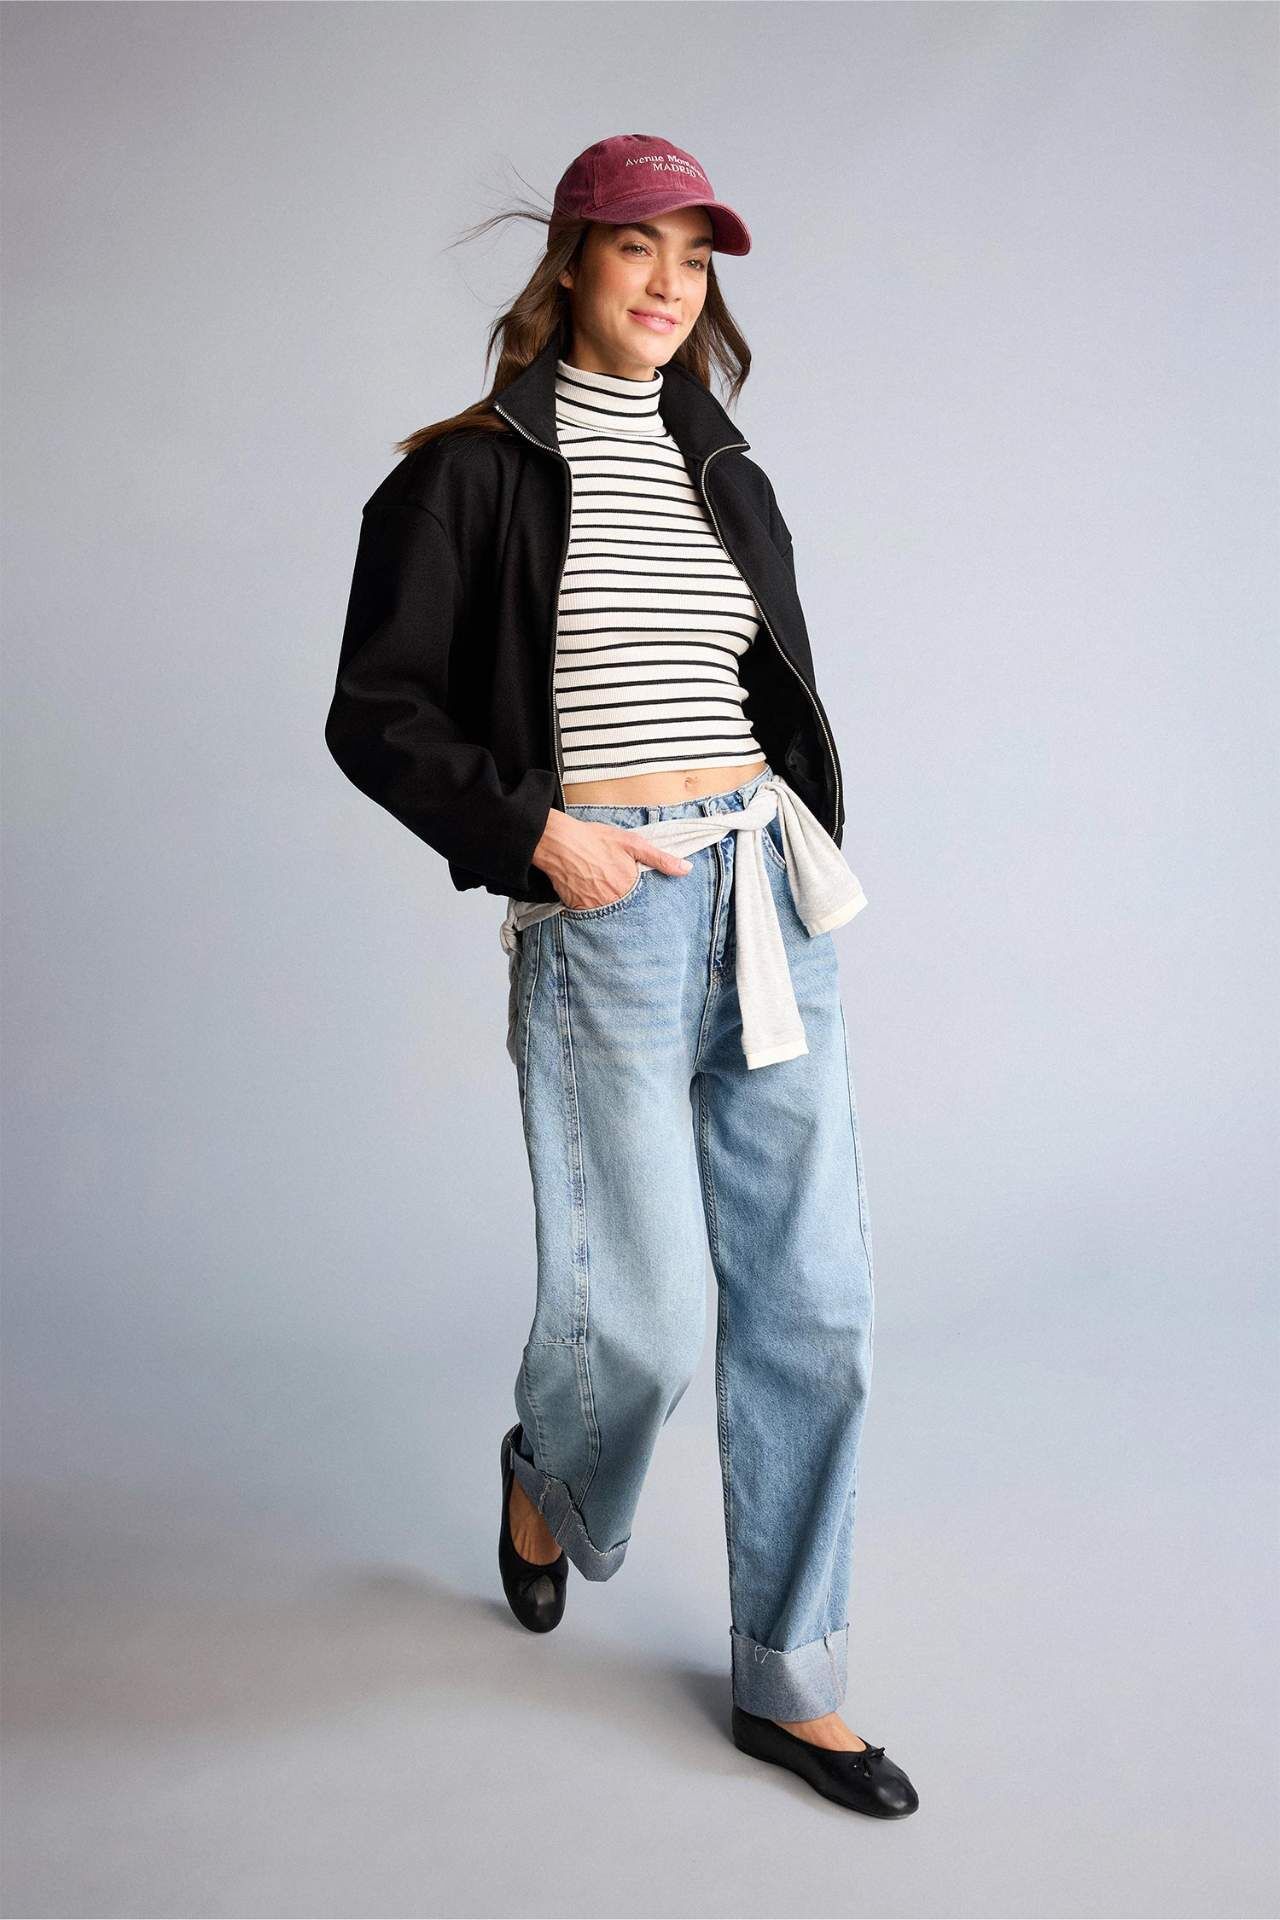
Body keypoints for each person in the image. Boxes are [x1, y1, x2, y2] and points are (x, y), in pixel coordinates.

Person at [325, 132, 919, 1820]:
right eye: (638, 247)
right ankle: (549, 1472)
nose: (669, 283)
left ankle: (793, 1681)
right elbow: (377, 714)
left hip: (764, 900)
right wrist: (538, 836)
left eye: (695, 257)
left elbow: (764, 684)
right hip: (608, 913)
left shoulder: (724, 468)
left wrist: (785, 837)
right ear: (573, 262)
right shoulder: (466, 475)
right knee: (642, 1326)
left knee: (817, 1305)